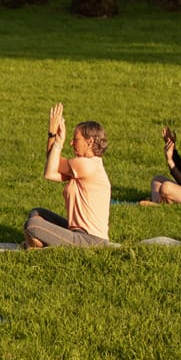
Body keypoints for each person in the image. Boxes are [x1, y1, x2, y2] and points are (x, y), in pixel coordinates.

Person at [24, 102, 112, 250]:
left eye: (76, 139)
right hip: (76, 233)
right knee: (37, 213)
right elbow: (53, 164)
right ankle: (38, 244)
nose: (71, 143)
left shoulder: (86, 165)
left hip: (90, 241)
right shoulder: (84, 166)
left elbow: (49, 173)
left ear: (89, 142)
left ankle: (33, 246)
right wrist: (52, 135)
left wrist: (58, 141)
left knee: (32, 225)